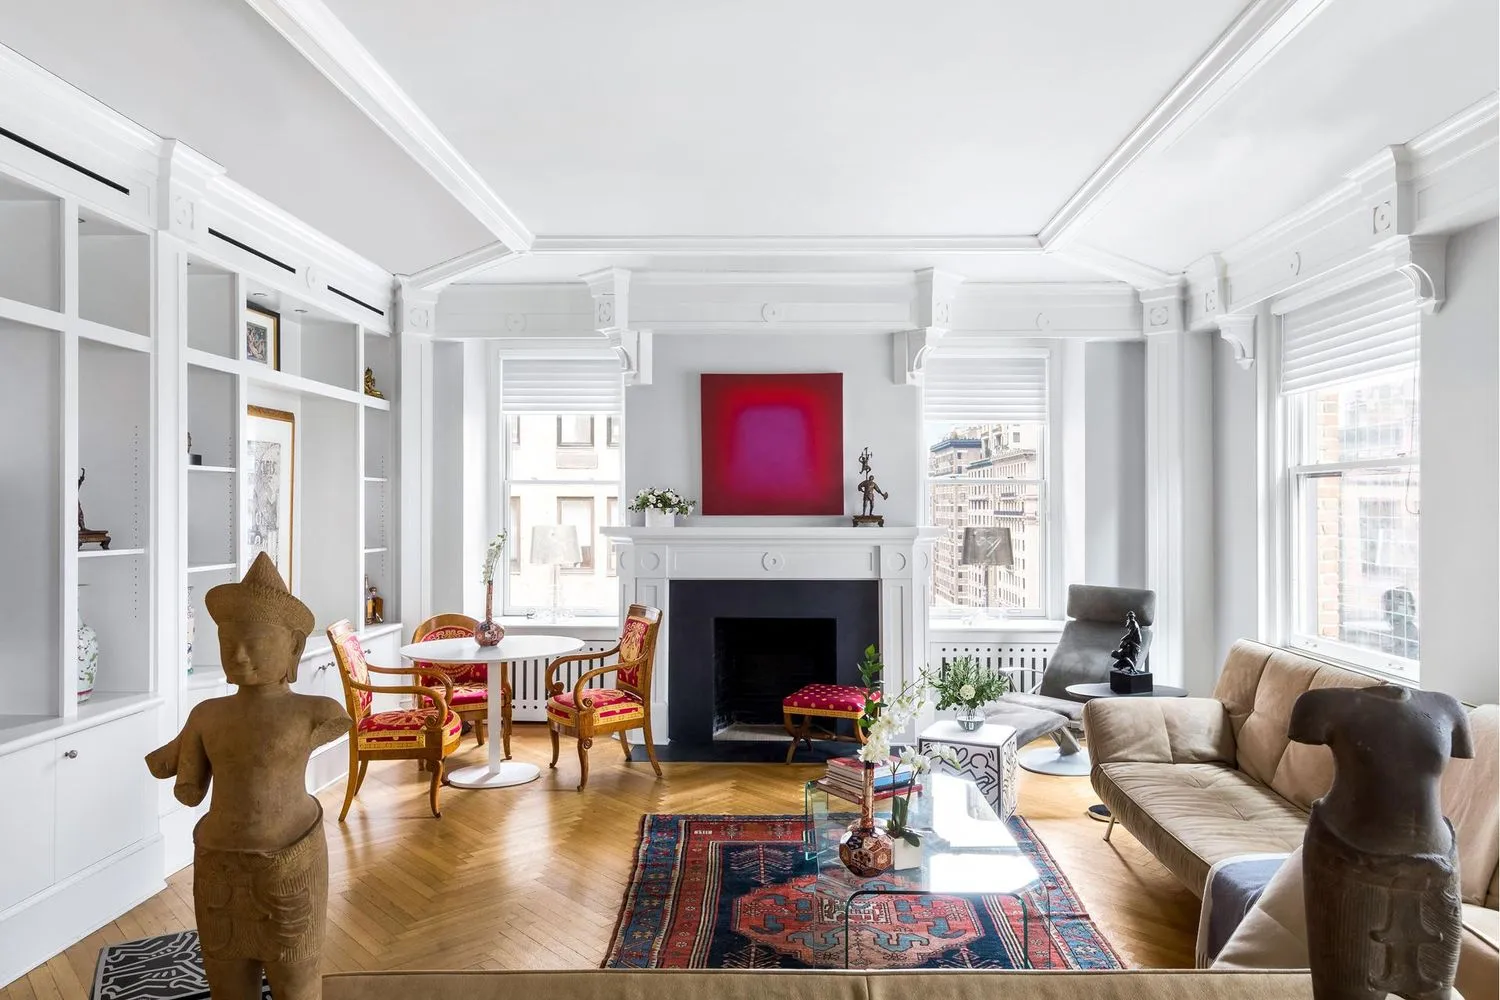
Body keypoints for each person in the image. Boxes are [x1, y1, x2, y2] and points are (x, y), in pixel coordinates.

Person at [146, 553, 348, 1000]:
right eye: (226, 642)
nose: (237, 655)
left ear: (293, 647)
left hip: (292, 863)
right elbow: (188, 789)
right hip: (219, 866)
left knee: (297, 986)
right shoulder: (207, 715)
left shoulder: (318, 712)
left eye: (254, 642)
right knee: (228, 989)